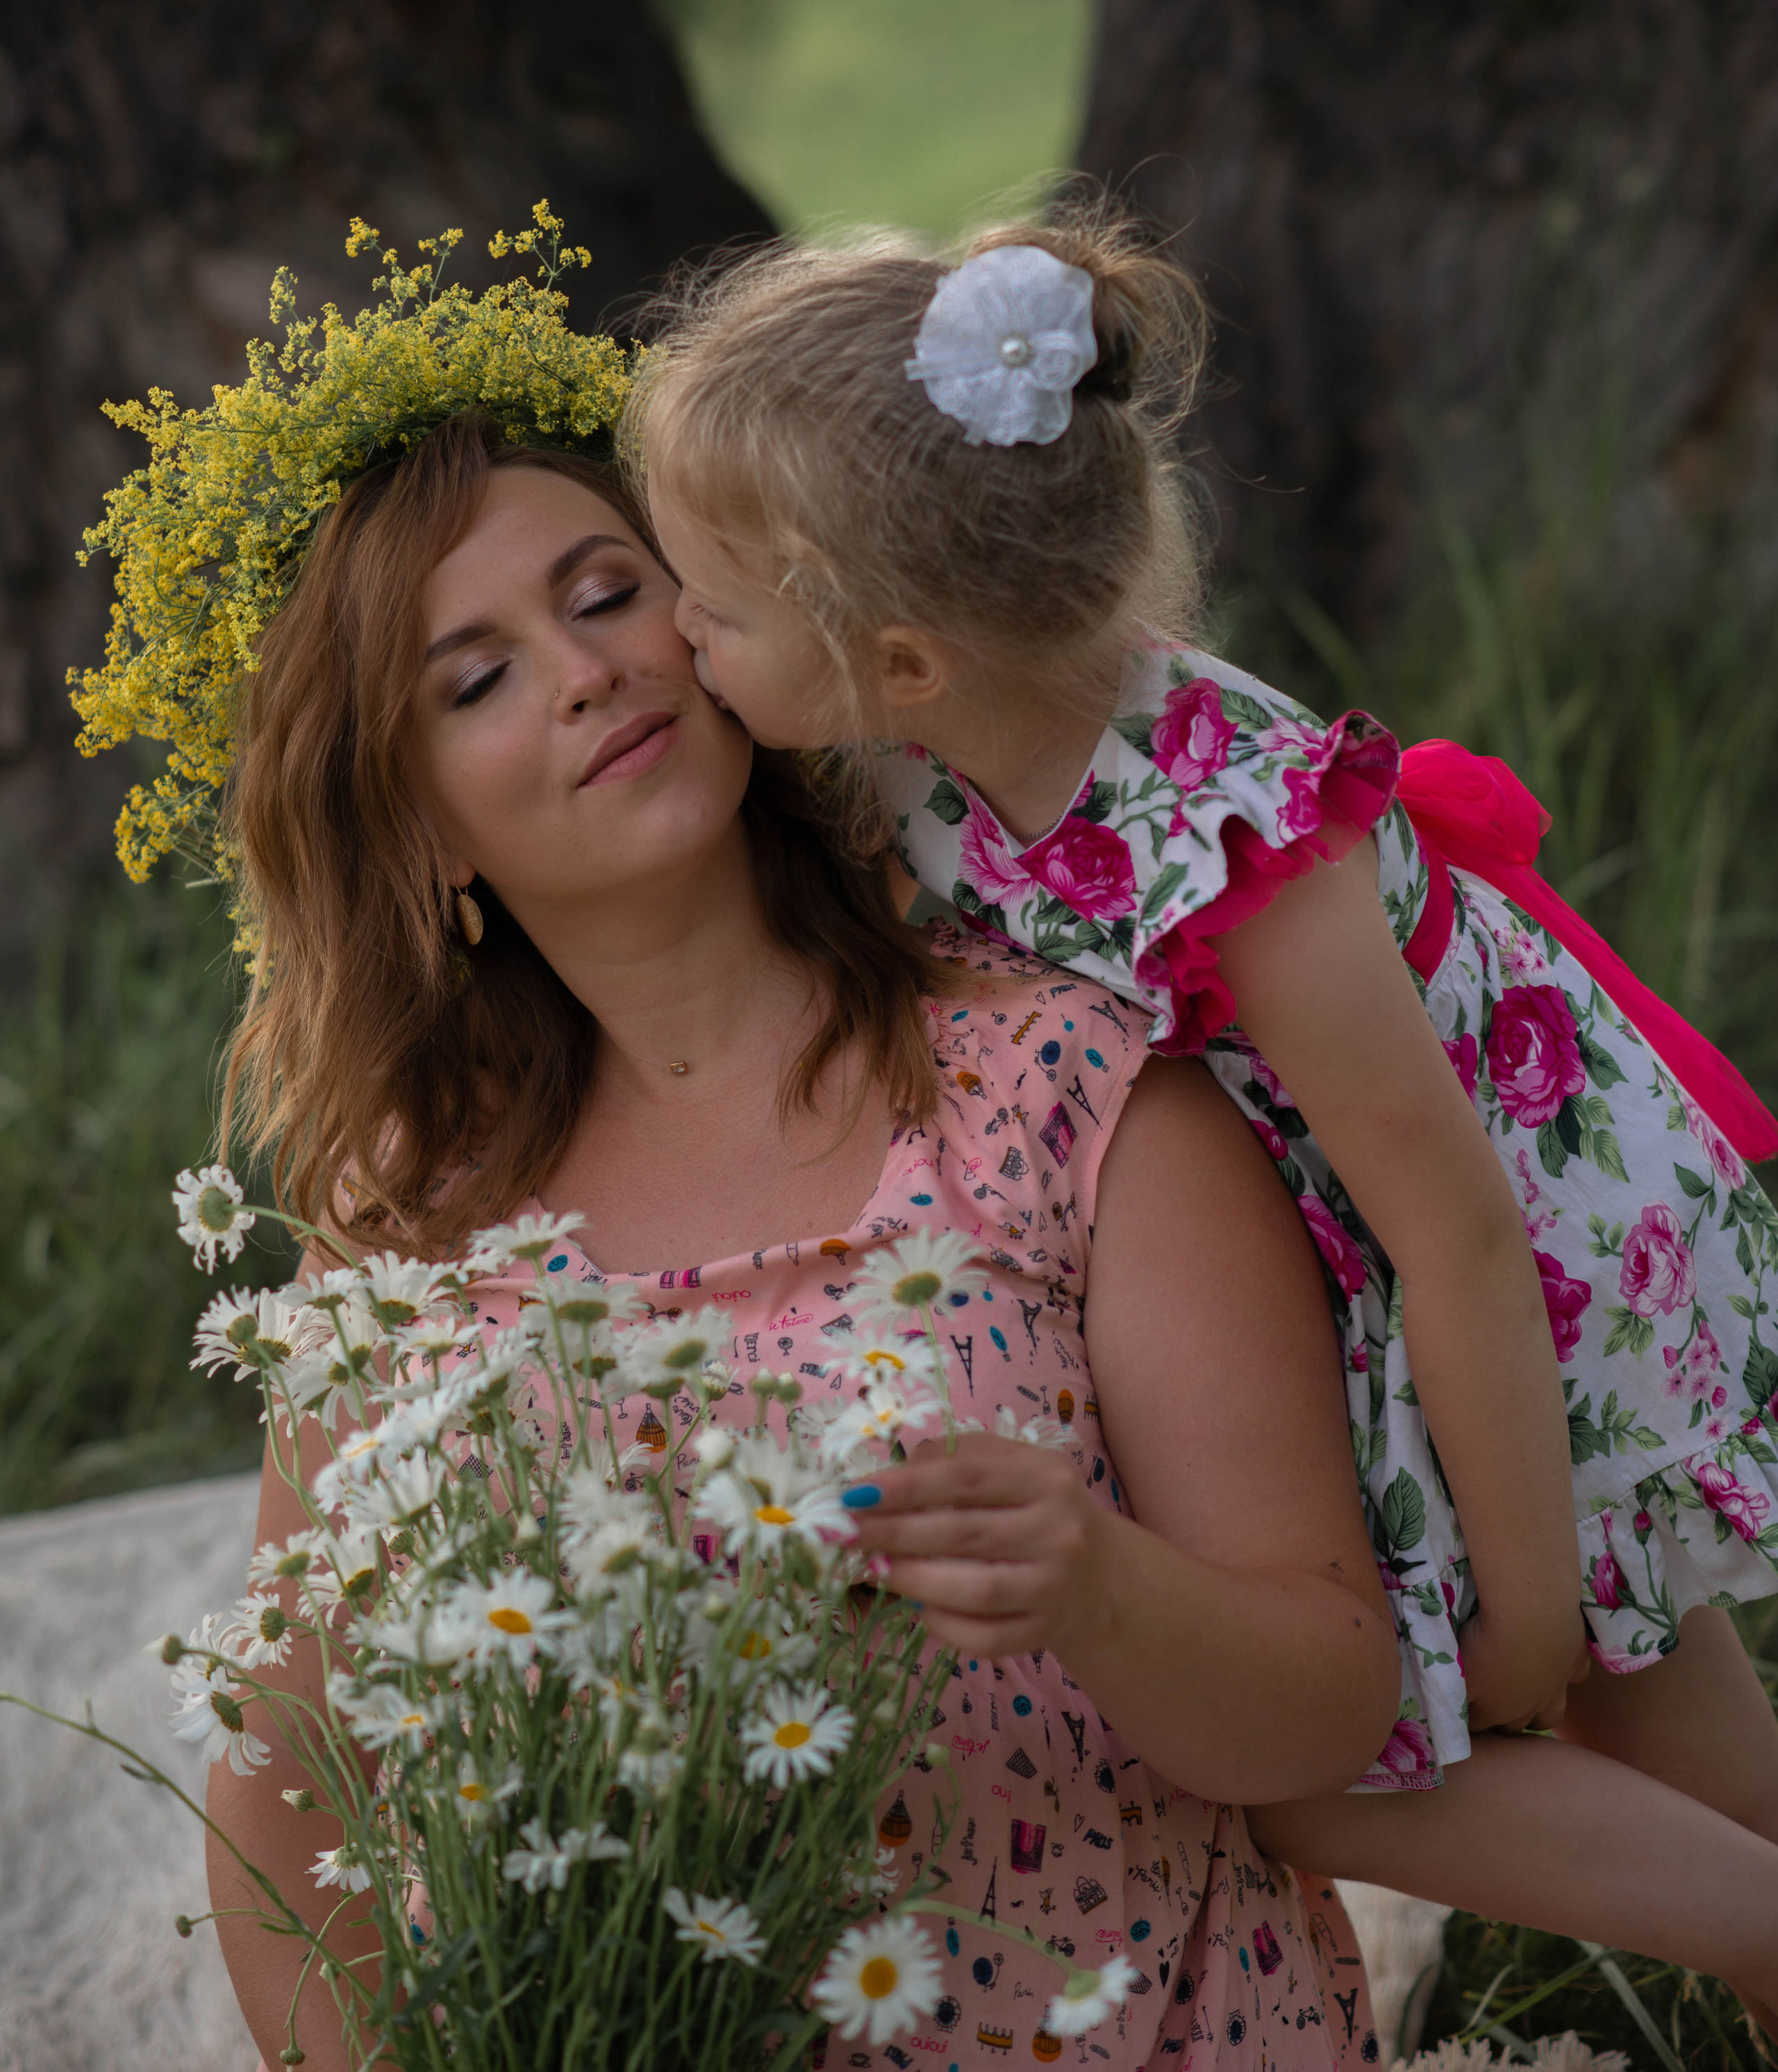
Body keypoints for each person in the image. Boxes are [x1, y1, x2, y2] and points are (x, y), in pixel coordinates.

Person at [630, 212, 1778, 2001]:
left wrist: (1528, 1598)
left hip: (1515, 1279)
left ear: (902, 661)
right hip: (1382, 1262)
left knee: (1445, 1736)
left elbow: (1456, 1222)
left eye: (712, 601)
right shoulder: (940, 747)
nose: (674, 629)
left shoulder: (1239, 850)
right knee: (1673, 1749)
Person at [204, 413, 1408, 2072]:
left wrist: (1097, 1587)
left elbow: (1331, 1701)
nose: (582, 672)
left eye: (605, 592)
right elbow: (283, 1780)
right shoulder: (401, 1229)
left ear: (718, 619)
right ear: (420, 835)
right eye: (471, 680)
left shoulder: (1069, 1088)